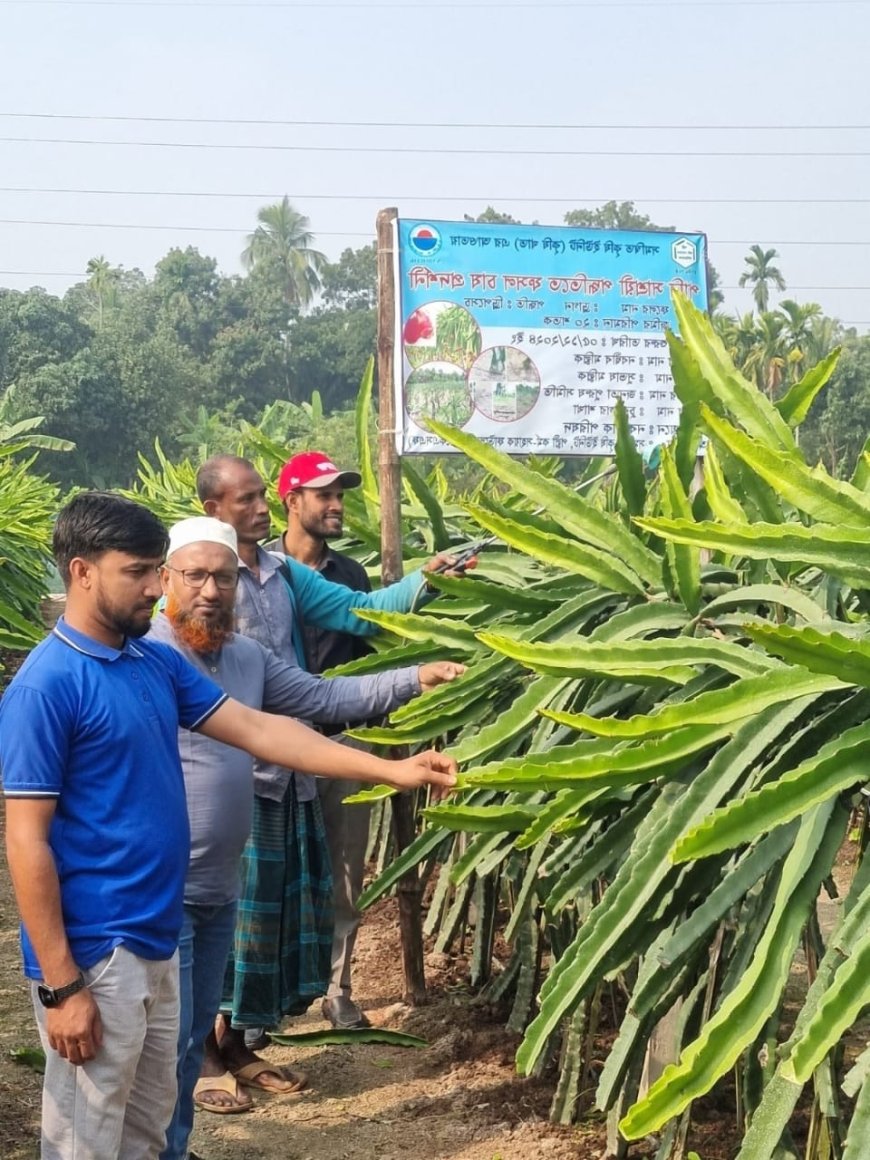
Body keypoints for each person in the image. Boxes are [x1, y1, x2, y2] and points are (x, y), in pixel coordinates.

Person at [0, 492, 457, 1160]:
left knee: (149, 1124)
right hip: (98, 950)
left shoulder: (150, 663)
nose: (156, 588)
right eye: (141, 572)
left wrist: (392, 771)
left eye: (159, 569)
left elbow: (260, 727)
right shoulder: (48, 686)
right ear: (82, 572)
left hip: (157, 937)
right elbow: (25, 840)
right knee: (86, 1137)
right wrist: (62, 985)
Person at [153, 516, 463, 1160]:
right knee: (159, 1042)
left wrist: (412, 678)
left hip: (219, 883)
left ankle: (171, 1147)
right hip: (159, 886)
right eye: (195, 576)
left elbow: (317, 699)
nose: (211, 590)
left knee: (185, 1041)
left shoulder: (244, 657)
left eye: (223, 578)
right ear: (165, 580)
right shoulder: (150, 657)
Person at [195, 456, 460, 1072]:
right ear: (211, 510)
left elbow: (357, 612)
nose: (260, 508)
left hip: (290, 765)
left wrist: (427, 578)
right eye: (247, 500)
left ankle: (234, 1043)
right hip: (228, 767)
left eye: (263, 496)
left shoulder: (283, 574)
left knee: (273, 913)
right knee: (226, 912)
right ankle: (202, 1055)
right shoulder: (198, 575)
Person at [266, 450, 390, 1029]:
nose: (337, 505)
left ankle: (338, 989)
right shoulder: (260, 572)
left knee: (344, 869)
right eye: (325, 495)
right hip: (271, 740)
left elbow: (371, 643)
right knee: (274, 864)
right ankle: (263, 997)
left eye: (341, 495)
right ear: (292, 502)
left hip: (342, 741)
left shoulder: (351, 577)